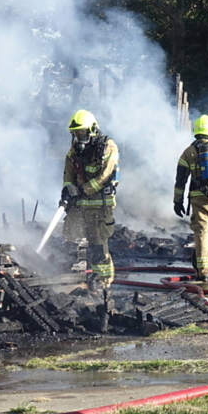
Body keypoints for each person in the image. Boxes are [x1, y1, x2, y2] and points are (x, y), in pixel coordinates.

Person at [62, 109, 119, 292]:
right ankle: (74, 284)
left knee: (98, 248)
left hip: (100, 207)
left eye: (82, 132)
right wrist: (67, 190)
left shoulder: (107, 147)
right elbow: (69, 174)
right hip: (78, 207)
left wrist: (81, 190)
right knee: (71, 242)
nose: (79, 136)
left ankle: (102, 286)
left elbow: (105, 176)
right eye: (76, 133)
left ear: (92, 129)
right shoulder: (73, 152)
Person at [174, 115, 208, 282]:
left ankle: (203, 272)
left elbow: (180, 179)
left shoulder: (188, 152)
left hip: (198, 199)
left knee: (201, 234)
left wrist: (177, 201)